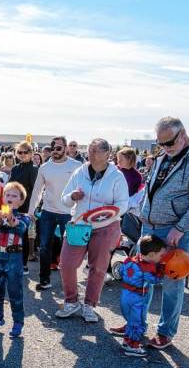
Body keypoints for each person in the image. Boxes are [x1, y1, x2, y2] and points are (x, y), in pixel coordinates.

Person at [139, 116, 189, 349]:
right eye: (160, 144)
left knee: (172, 280)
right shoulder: (166, 153)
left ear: (182, 135)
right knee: (143, 275)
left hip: (178, 230)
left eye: (169, 143)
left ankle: (165, 332)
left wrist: (180, 228)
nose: (164, 148)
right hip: (151, 225)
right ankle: (137, 323)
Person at [55, 138, 129, 323]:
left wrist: (106, 212)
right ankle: (71, 302)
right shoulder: (80, 172)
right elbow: (64, 199)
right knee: (66, 264)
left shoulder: (117, 176)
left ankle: (89, 305)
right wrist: (72, 196)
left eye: (95, 151)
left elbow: (123, 204)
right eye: (89, 150)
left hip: (106, 227)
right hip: (79, 225)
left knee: (98, 268)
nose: (91, 154)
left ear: (107, 154)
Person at [28, 137, 82, 290]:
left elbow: (83, 189)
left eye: (58, 148)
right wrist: (31, 211)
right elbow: (37, 190)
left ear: (66, 148)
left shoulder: (77, 166)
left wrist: (82, 213)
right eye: (52, 148)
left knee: (70, 248)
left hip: (69, 213)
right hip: (48, 211)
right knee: (44, 246)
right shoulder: (44, 167)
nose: (55, 151)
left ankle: (70, 284)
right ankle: (45, 280)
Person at [0, 181, 31, 337]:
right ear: (3, 197)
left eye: (14, 195)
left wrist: (11, 219)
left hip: (14, 258)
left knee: (15, 291)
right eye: (7, 194)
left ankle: (18, 322)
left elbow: (21, 230)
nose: (10, 197)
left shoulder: (24, 217)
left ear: (21, 201)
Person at [109, 235, 167, 357]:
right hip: (137, 298)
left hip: (125, 296)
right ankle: (132, 346)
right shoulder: (146, 268)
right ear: (151, 255)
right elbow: (154, 281)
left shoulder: (130, 260)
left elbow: (120, 272)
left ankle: (127, 340)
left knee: (131, 320)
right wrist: (162, 273)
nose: (163, 258)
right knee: (138, 322)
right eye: (161, 255)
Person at [9, 141, 38, 274]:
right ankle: (13, 262)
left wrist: (32, 210)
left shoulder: (34, 169)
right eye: (19, 152)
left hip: (26, 207)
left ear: (31, 153)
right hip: (13, 206)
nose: (22, 154)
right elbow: (9, 187)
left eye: (25, 152)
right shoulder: (15, 168)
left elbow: (36, 191)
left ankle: (24, 264)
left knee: (24, 235)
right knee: (12, 234)